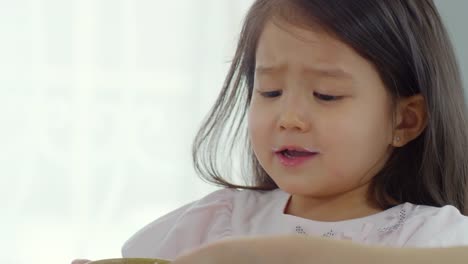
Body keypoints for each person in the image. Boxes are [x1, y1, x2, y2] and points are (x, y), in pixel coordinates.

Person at [72, 0, 468, 263]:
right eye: (270, 91)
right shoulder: (214, 221)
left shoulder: (433, 238)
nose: (289, 117)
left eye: (326, 95)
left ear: (404, 121)